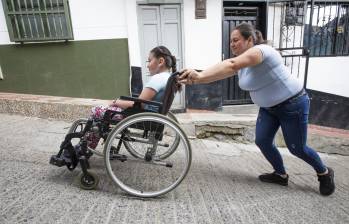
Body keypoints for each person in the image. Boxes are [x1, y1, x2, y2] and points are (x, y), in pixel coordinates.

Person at [179, 23, 335, 196]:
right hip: (269, 108)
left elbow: (230, 64)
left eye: (236, 40)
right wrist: (197, 79)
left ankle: (324, 173)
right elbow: (223, 72)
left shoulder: (262, 51)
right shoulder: (242, 65)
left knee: (297, 148)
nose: (232, 44)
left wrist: (199, 75)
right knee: (262, 141)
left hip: (293, 104)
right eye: (230, 41)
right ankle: (280, 174)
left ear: (250, 39)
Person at [86, 45, 177, 149]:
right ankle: (96, 142)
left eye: (149, 61)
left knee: (96, 111)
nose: (147, 65)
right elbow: (141, 102)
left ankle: (87, 148)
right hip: (152, 116)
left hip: (140, 117)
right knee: (107, 110)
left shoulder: (157, 79)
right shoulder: (169, 78)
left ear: (161, 61)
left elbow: (137, 105)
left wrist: (115, 102)